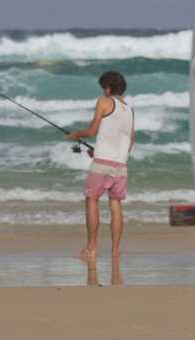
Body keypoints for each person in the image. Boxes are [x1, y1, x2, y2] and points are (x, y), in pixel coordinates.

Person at [66, 70, 135, 260]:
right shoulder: (129, 109)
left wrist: (76, 135)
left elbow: (91, 130)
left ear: (108, 87)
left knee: (92, 200)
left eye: (104, 87)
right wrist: (102, 151)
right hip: (121, 165)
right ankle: (115, 251)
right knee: (116, 204)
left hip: (102, 164)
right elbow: (130, 141)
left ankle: (91, 249)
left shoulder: (104, 101)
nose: (103, 90)